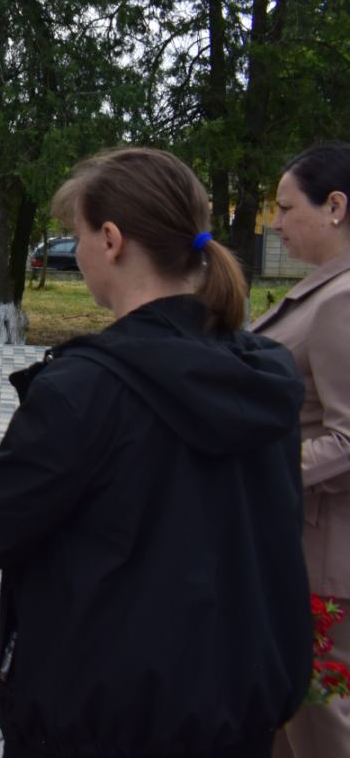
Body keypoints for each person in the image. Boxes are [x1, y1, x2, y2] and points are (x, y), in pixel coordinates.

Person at [0, 147, 310, 758]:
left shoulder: (88, 389)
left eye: (77, 235)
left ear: (111, 240)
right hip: (237, 713)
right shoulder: (263, 371)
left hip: (112, 723)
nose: (75, 253)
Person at [251, 143, 350, 758]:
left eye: (287, 208)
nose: (276, 222)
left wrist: (258, 467)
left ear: (335, 206)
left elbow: (347, 439)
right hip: (298, 545)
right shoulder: (324, 290)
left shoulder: (342, 300)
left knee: (320, 727)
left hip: (324, 560)